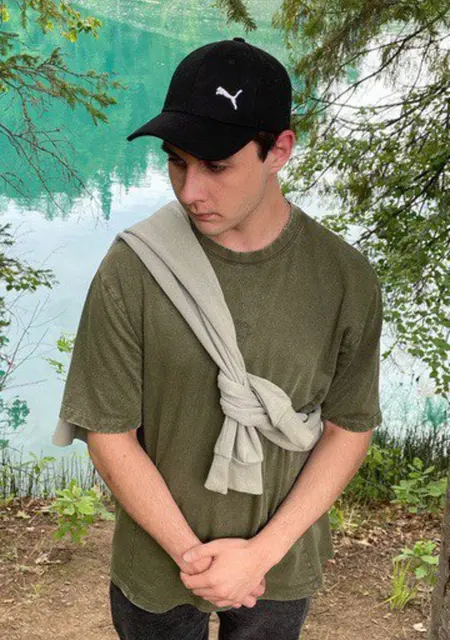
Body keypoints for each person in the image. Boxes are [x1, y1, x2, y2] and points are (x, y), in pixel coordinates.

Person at [52, 37, 383, 640]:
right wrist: (193, 558)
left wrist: (259, 555)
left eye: (216, 165)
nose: (189, 191)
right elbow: (109, 433)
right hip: (157, 561)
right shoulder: (134, 268)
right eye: (177, 161)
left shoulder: (343, 278)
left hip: (279, 562)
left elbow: (348, 426)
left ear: (278, 150)